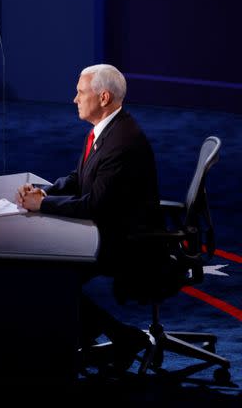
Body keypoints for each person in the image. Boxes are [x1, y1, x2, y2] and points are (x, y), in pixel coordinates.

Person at [16, 64, 161, 373]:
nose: (74, 99)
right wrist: (47, 191)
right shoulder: (110, 129)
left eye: (81, 93)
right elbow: (82, 176)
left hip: (125, 241)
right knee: (42, 268)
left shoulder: (123, 141)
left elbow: (94, 205)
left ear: (104, 97)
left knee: (49, 273)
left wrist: (43, 206)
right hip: (109, 228)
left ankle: (120, 337)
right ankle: (99, 335)